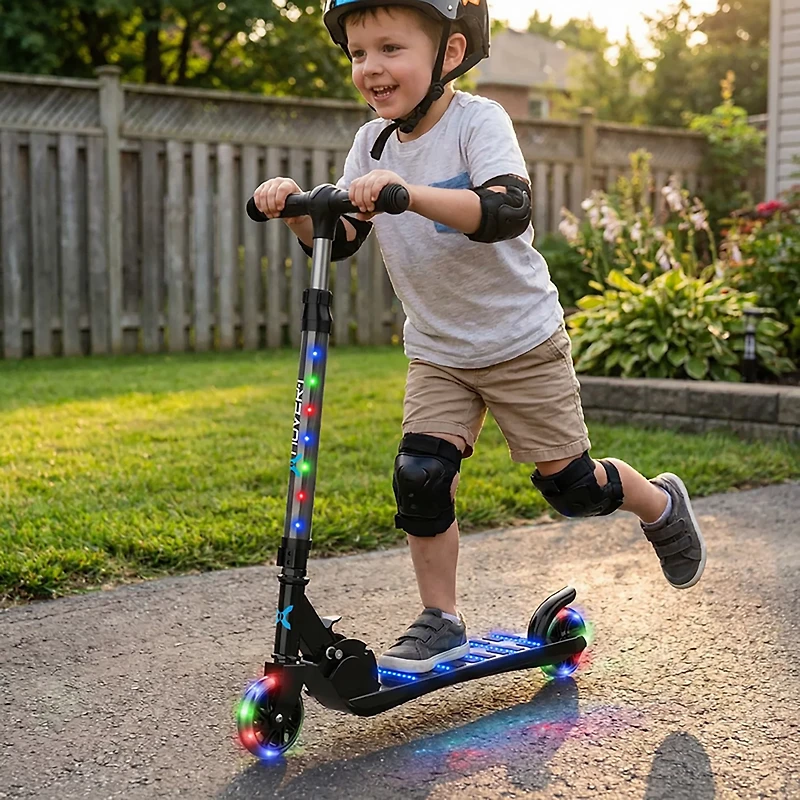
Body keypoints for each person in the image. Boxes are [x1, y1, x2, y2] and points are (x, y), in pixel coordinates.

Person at [253, 0, 706, 675]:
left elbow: (504, 209)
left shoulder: (478, 122)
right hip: (440, 351)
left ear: (451, 53)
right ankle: (441, 619)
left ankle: (659, 502)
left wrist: (411, 192)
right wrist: (297, 208)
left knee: (574, 489)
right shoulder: (370, 143)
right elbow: (344, 237)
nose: (371, 68)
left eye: (389, 48)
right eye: (357, 54)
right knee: (420, 476)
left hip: (521, 342)